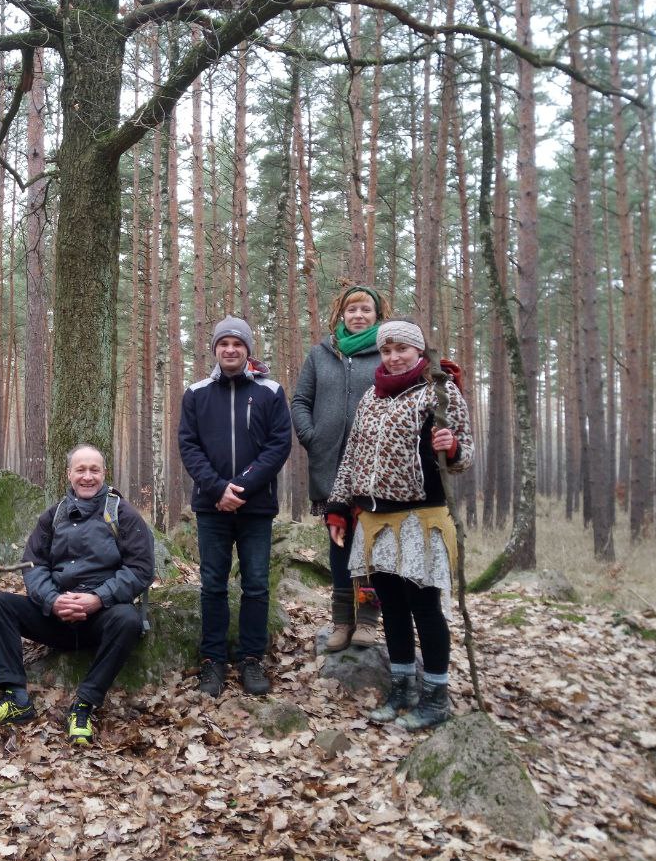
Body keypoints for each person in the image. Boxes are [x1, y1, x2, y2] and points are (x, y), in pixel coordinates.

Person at [326, 320, 473, 731]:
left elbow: (464, 455)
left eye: (401, 349)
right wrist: (339, 507)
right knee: (390, 607)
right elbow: (353, 455)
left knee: (424, 607)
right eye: (387, 350)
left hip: (420, 518)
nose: (393, 357)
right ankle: (401, 688)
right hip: (376, 520)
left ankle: (435, 696)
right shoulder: (372, 396)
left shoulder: (438, 392)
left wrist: (453, 447)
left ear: (418, 350)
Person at [0, 444, 153, 745]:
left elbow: (140, 570)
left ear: (104, 473)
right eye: (80, 469)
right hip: (55, 617)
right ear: (69, 474)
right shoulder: (53, 516)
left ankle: (84, 704)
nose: (87, 477)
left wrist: (98, 598)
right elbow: (34, 565)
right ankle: (16, 697)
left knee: (128, 620)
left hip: (100, 618)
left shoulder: (122, 513)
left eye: (94, 470)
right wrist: (53, 600)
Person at [178, 316, 293, 697]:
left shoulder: (270, 391)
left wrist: (240, 487)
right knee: (212, 584)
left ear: (248, 349)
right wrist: (217, 489)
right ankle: (212, 660)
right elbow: (188, 446)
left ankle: (251, 659)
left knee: (256, 585)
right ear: (214, 349)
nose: (230, 349)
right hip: (212, 508)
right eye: (223, 343)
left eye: (237, 343)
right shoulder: (196, 393)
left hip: (256, 506)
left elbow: (279, 445)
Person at [291, 285, 387, 652]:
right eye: (352, 310)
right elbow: (300, 400)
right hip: (329, 467)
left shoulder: (385, 353)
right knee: (339, 547)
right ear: (341, 315)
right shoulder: (321, 354)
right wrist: (311, 436)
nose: (358, 315)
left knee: (370, 549)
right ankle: (341, 622)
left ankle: (367, 622)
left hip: (374, 471)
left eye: (365, 309)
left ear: (377, 315)